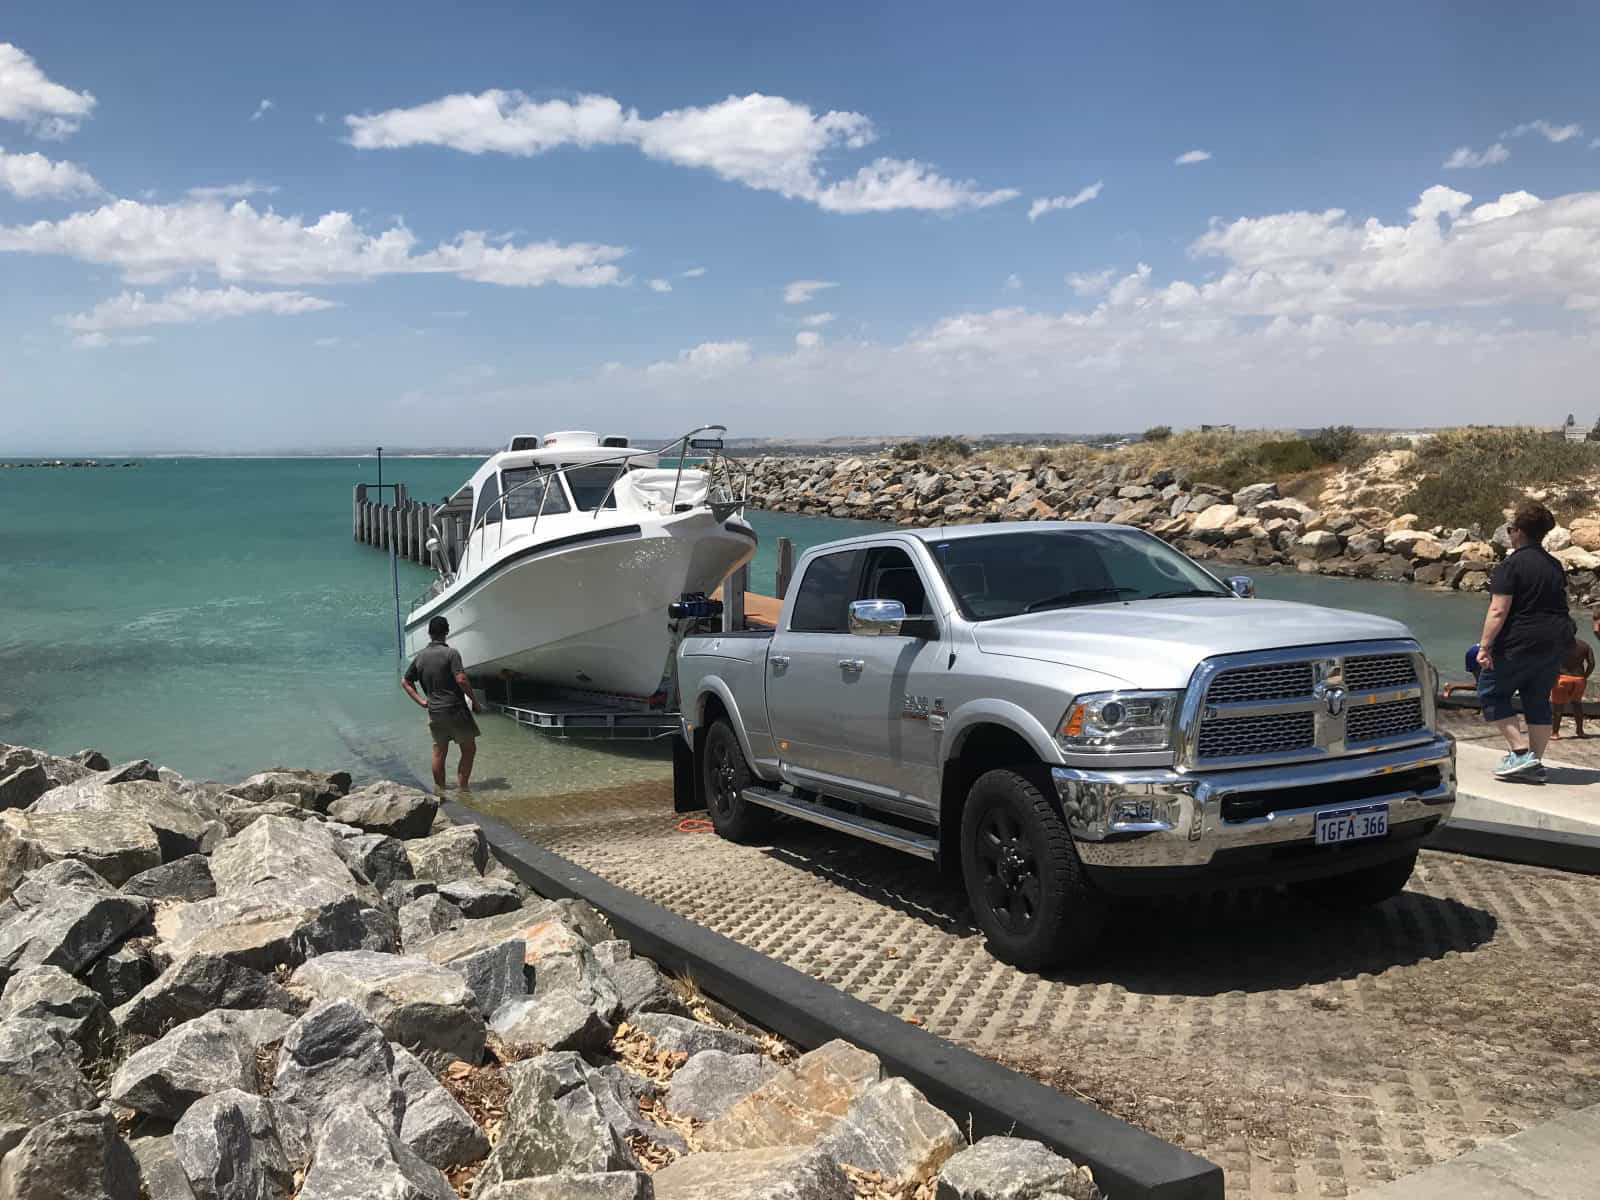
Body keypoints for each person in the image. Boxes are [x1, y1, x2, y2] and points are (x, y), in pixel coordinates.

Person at [1475, 501, 1576, 781]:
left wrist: (1485, 646)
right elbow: (1563, 603)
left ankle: (1520, 754)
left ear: (1518, 532)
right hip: (1555, 640)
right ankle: (1535, 763)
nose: (1509, 534)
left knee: (1490, 691)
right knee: (1537, 698)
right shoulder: (1555, 565)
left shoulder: (1511, 565)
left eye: (1510, 529)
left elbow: (1498, 609)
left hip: (1520, 640)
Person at [401, 615, 483, 795]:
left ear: (429, 633)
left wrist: (422, 701)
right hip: (455, 709)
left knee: (439, 752)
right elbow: (461, 679)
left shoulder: (420, 657)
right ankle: (463, 790)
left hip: (434, 712)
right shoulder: (451, 653)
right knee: (469, 749)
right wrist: (475, 701)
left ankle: (441, 792)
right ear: (447, 632)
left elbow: (405, 682)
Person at [1550, 635, 1594, 739]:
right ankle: (1580, 731)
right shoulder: (1585, 645)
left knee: (1558, 707)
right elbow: (1591, 663)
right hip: (1579, 679)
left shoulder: (1559, 644)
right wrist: (1584, 676)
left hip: (1562, 678)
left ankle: (1555, 733)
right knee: (1577, 704)